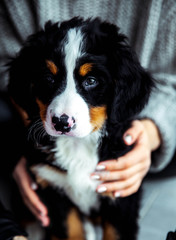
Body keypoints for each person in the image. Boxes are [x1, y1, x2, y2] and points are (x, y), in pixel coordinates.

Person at [0, 0, 176, 228]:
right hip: (41, 143)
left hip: (129, 135)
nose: (63, 113)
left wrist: (150, 134)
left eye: (91, 80)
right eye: (49, 78)